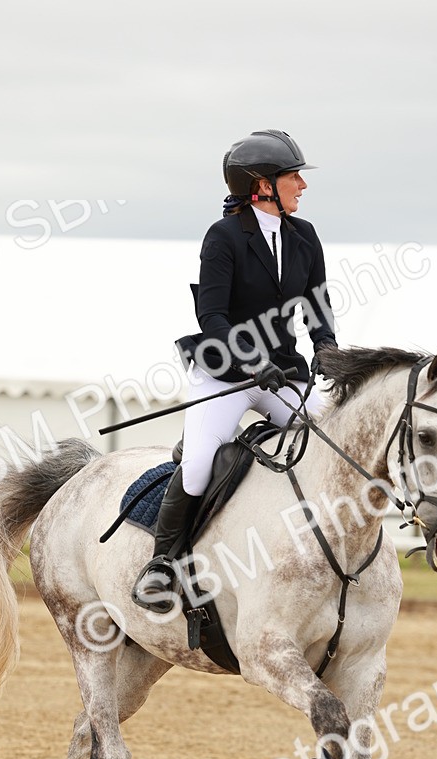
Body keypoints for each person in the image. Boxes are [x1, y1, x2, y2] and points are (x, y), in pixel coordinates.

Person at [132, 128, 338, 612]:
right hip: (226, 373)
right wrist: (251, 360)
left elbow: (317, 305)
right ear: (262, 185)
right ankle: (162, 565)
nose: (302, 187)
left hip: (282, 375)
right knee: (200, 463)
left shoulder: (304, 237)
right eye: (294, 178)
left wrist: (326, 348)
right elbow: (213, 316)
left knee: (331, 442)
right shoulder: (224, 237)